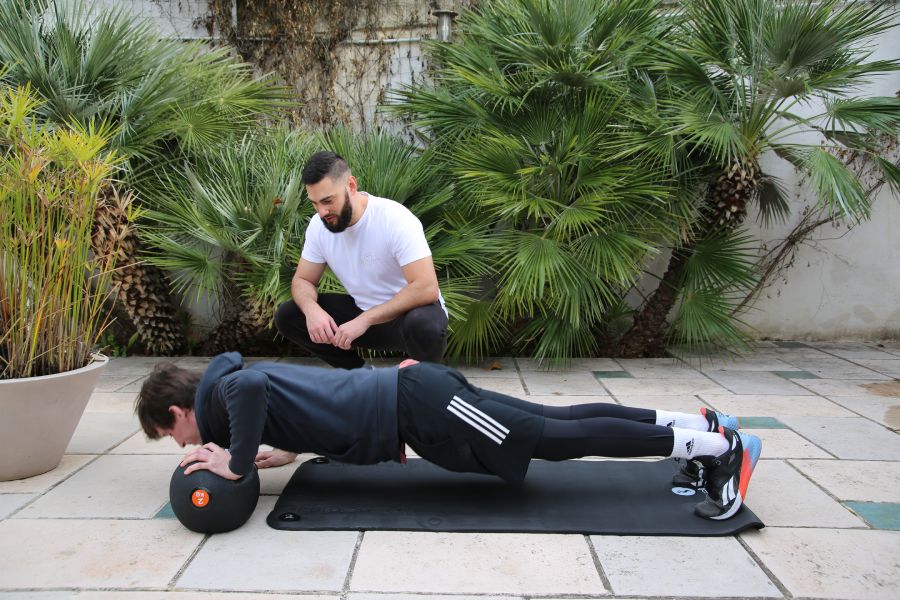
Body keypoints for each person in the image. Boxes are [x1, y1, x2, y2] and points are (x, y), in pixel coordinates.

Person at [136, 352, 762, 521]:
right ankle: (695, 427)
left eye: (173, 435)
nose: (184, 446)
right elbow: (305, 401)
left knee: (555, 438)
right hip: (415, 400)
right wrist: (287, 450)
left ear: (176, 412)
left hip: (418, 403)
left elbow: (251, 390)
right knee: (559, 420)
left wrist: (236, 464)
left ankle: (720, 451)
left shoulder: (222, 392)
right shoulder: (225, 393)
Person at [274, 151, 448, 369]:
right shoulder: (318, 227)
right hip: (362, 315)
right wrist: (311, 310)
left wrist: (365, 320)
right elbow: (303, 280)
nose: (322, 212)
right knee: (289, 315)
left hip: (407, 318)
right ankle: (361, 375)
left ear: (351, 186)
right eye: (314, 203)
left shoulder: (394, 218)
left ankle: (424, 380)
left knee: (424, 324)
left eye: (328, 201)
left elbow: (426, 288)